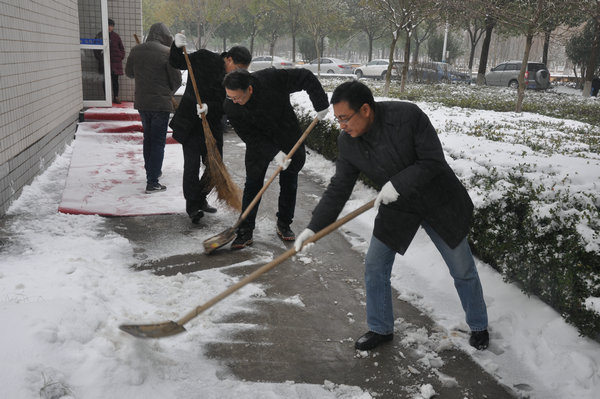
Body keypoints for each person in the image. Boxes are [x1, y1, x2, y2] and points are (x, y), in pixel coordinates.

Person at [294, 81, 489, 351]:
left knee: (462, 268)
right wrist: (314, 227)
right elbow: (339, 187)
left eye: (344, 118)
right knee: (375, 266)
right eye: (338, 119)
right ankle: (380, 328)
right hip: (398, 206)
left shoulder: (407, 117)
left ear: (365, 109)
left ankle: (479, 325)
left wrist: (398, 183)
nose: (341, 126)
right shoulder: (348, 142)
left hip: (438, 199)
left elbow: (432, 161)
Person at [223, 69, 329, 249]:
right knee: (253, 183)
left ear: (249, 89)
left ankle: (284, 223)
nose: (234, 101)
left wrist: (321, 104)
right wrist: (273, 152)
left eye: (237, 97)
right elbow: (250, 137)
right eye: (230, 97)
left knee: (290, 180)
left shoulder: (271, 79)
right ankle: (245, 229)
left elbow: (305, 76)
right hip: (259, 142)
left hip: (286, 133)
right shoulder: (231, 106)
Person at [169, 32, 251, 223]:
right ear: (228, 58)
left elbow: (228, 102)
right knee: (191, 165)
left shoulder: (234, 79)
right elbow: (178, 62)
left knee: (215, 166)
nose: (236, 73)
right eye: (236, 68)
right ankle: (192, 207)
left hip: (211, 125)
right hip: (190, 122)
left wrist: (210, 107)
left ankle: (200, 198)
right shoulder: (204, 57)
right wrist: (175, 45)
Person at [125, 23, 182, 193]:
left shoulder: (137, 51)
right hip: (160, 104)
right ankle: (152, 181)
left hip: (142, 103)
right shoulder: (167, 53)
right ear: (165, 36)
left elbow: (129, 73)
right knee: (158, 142)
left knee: (148, 139)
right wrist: (168, 92)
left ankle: (152, 170)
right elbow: (177, 80)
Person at [94, 18, 125, 103]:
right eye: (108, 25)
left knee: (115, 81)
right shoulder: (99, 35)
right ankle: (106, 98)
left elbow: (121, 48)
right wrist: (101, 60)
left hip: (115, 63)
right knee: (105, 81)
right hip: (104, 63)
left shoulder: (116, 36)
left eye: (111, 26)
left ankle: (116, 97)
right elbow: (95, 50)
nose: (109, 27)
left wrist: (120, 56)